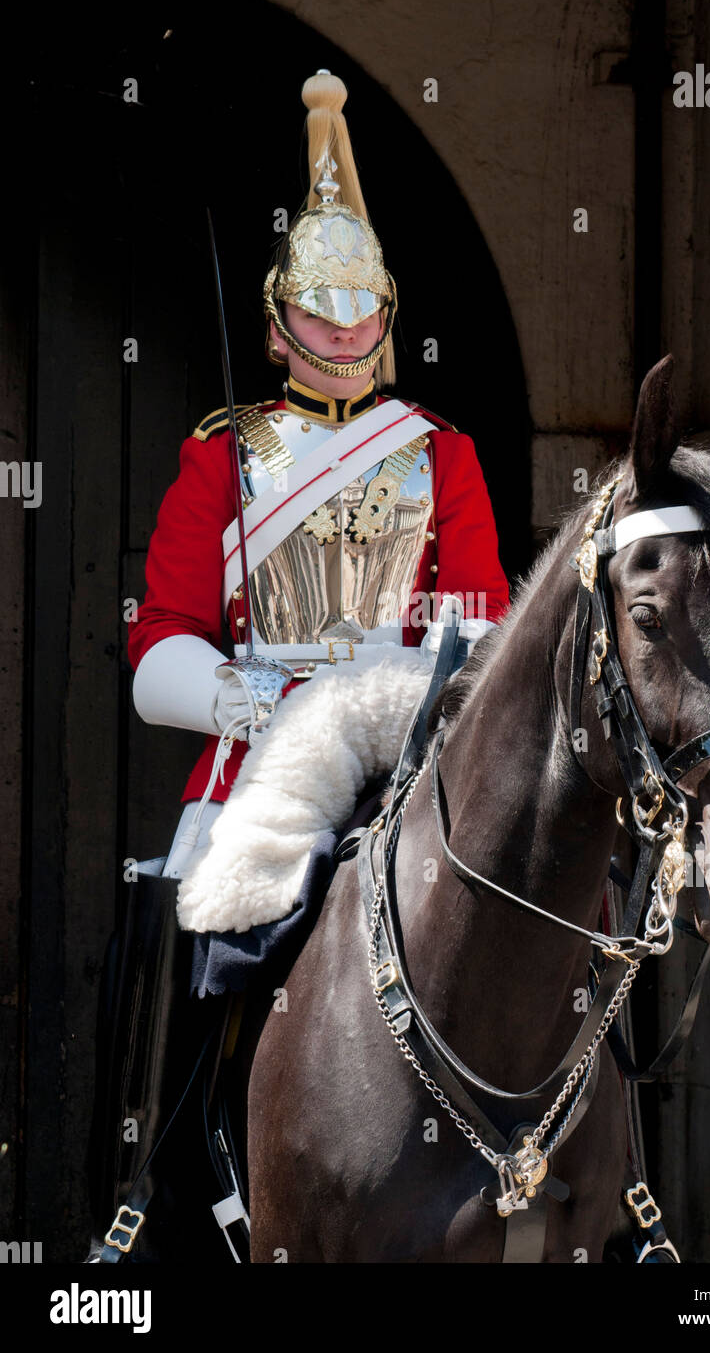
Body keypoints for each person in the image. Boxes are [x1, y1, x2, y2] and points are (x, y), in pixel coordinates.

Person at [88, 70, 509, 1261]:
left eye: (358, 314)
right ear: (278, 325)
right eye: (316, 319)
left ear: (385, 315)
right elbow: (156, 639)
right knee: (206, 940)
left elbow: (477, 612)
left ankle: (601, 1190)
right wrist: (242, 692)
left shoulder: (442, 456)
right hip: (256, 751)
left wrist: (406, 688)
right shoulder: (221, 458)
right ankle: (170, 1170)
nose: (339, 336)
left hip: (397, 737)